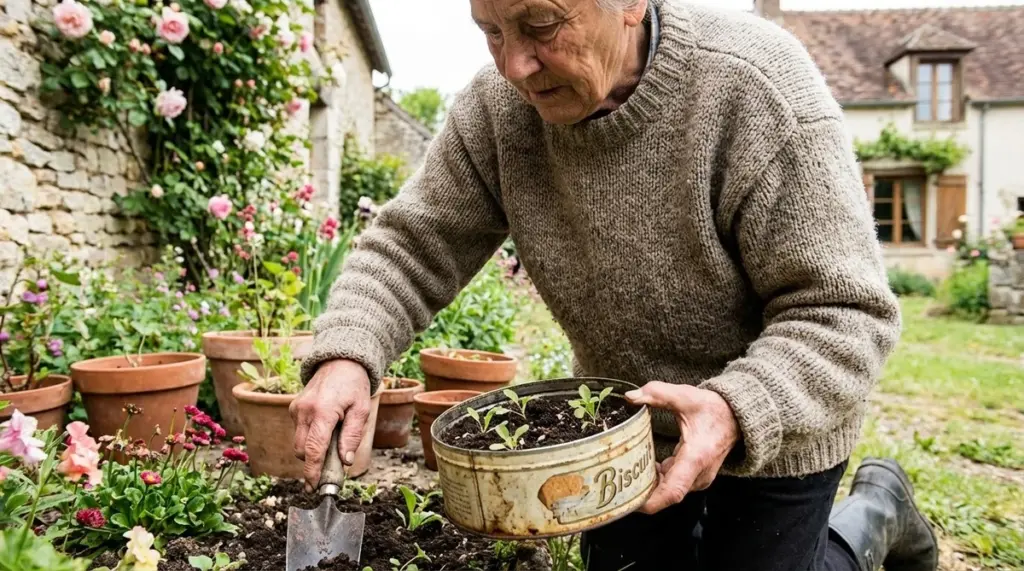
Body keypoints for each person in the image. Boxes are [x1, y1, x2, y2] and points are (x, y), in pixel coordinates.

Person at [289, 0, 939, 569]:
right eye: (490, 31)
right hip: (617, 428)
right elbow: (412, 243)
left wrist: (735, 407)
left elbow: (847, 310)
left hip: (776, 417)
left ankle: (875, 510)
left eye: (540, 25)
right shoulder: (499, 109)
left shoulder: (753, 84)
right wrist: (350, 349)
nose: (514, 64)